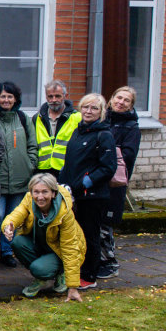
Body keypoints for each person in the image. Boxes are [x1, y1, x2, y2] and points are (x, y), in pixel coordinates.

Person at [58, 93, 117, 289]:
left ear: (101, 112)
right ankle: (77, 271)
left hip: (92, 196)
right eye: (85, 107)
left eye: (94, 108)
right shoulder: (78, 131)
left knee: (90, 236)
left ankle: (90, 275)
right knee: (76, 234)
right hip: (74, 194)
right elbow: (69, 162)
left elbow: (108, 168)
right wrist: (63, 183)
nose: (88, 111)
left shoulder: (104, 135)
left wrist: (86, 182)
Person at [2, 173, 85, 302]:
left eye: (45, 192)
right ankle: (43, 277)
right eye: (36, 192)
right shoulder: (29, 199)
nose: (40, 197)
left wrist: (73, 286)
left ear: (53, 193)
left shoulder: (65, 212)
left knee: (38, 268)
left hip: (60, 251)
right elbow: (17, 213)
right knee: (18, 242)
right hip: (43, 245)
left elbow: (70, 248)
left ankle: (59, 273)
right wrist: (8, 226)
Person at [0, 81, 38, 268]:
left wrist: (30, 164)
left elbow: (33, 145)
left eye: (10, 96)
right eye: (3, 96)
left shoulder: (23, 119)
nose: (6, 100)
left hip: (20, 178)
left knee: (14, 217)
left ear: (15, 98)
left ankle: (7, 252)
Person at [99, 86, 141, 279]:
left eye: (126, 100)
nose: (121, 102)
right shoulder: (102, 119)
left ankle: (109, 262)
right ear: (111, 98)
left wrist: (106, 152)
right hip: (97, 179)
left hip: (115, 183)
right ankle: (97, 260)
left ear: (131, 105)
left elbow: (128, 156)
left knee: (106, 224)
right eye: (118, 97)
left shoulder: (132, 128)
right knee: (95, 222)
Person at [33, 79, 80, 176]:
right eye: (50, 96)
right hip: (42, 169)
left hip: (67, 169)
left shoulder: (77, 117)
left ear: (65, 96)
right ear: (46, 97)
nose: (54, 100)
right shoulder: (37, 118)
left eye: (58, 96)